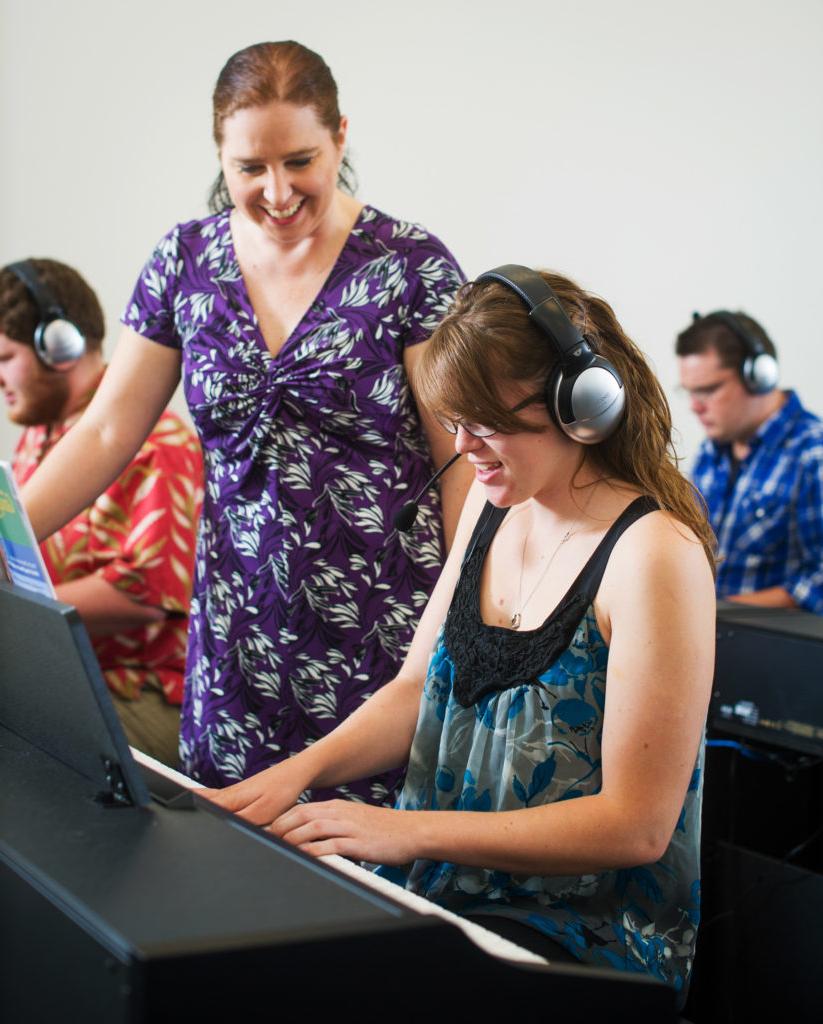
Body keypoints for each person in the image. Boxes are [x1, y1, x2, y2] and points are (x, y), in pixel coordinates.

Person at [205, 267, 716, 1005]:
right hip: (447, 894)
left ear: (583, 405)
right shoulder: (494, 501)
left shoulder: (653, 555)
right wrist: (294, 774)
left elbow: (635, 828)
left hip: (577, 933)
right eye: (455, 422)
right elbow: (417, 688)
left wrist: (407, 833)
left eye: (487, 422)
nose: (465, 446)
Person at [20, 42, 472, 796]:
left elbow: (464, 466)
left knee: (368, 882)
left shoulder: (409, 266)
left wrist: (463, 626)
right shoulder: (183, 262)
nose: (277, 190)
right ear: (219, 156)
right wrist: (10, 531)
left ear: (341, 137)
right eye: (249, 169)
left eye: (300, 160)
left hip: (386, 637)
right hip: (237, 638)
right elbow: (103, 432)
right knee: (231, 872)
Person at [0, 258, 202, 766]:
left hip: (147, 691)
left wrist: (22, 615)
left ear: (59, 346)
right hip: (69, 678)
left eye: (5, 358)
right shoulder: (34, 443)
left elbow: (145, 597)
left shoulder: (160, 443)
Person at [677, 309, 823, 612]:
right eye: (689, 392)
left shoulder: (812, 455)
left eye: (708, 390)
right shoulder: (710, 454)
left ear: (759, 377)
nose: (695, 406)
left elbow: (818, 582)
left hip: (773, 651)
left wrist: (715, 611)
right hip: (712, 637)